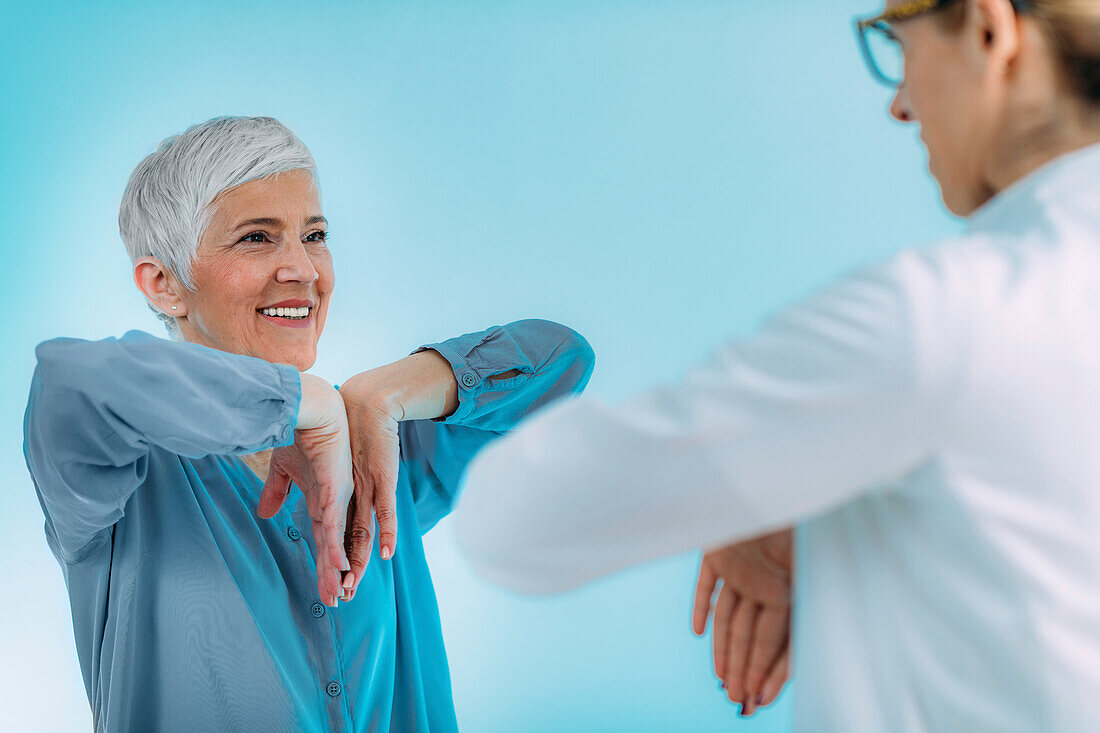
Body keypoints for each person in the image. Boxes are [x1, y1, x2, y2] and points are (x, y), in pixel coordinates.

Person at [452, 0, 1100, 730]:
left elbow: (513, 521)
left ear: (990, 30)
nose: (899, 103)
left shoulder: (943, 317)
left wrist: (764, 491)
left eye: (898, 46)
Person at [22, 115, 595, 733]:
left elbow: (562, 359)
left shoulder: (371, 452)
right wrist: (299, 403)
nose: (304, 269)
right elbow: (71, 383)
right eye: (256, 239)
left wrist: (383, 392)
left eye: (314, 234)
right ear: (164, 285)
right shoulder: (121, 481)